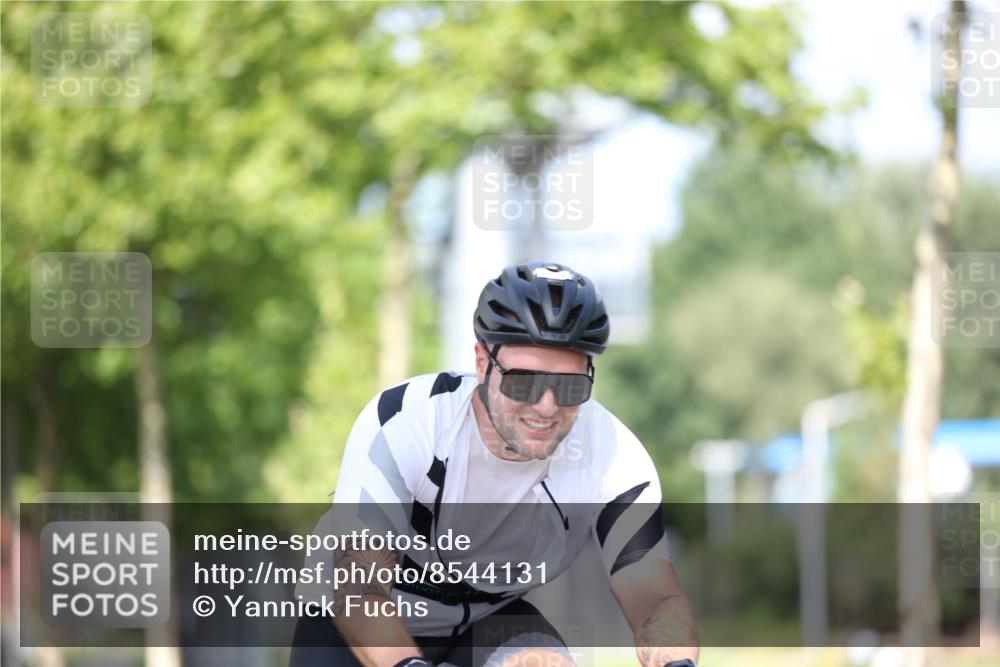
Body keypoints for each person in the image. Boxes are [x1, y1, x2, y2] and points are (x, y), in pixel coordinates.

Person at [290, 261, 699, 667]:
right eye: (524, 381)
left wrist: (675, 662)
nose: (547, 406)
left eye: (571, 386)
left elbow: (653, 596)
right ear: (483, 363)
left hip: (485, 620)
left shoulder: (614, 456)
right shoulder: (408, 421)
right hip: (358, 616)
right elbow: (361, 590)